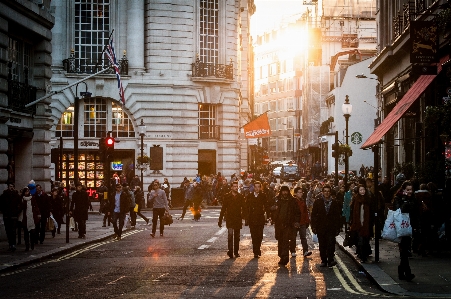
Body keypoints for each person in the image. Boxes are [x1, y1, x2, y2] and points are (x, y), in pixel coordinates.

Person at [311, 184, 342, 267]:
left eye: (328, 191)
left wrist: (338, 228)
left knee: (331, 244)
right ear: (322, 192)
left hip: (331, 227)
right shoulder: (318, 202)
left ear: (330, 192)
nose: (327, 193)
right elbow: (313, 215)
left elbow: (337, 216)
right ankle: (324, 260)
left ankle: (331, 260)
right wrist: (313, 226)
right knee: (322, 244)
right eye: (325, 191)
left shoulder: (335, 203)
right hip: (321, 227)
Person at [393, 181, 418, 281]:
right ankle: (406, 273)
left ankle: (402, 272)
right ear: (403, 190)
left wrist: (416, 226)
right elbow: (399, 211)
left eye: (411, 190)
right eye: (407, 190)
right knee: (404, 250)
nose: (409, 192)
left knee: (405, 250)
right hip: (401, 226)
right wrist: (405, 201)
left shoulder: (413, 198)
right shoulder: (398, 198)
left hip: (410, 226)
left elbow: (415, 213)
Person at [271, 185, 301, 266]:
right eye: (283, 191)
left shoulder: (292, 201)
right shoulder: (277, 200)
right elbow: (271, 208)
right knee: (280, 240)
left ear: (288, 192)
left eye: (286, 191)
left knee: (285, 241)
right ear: (281, 191)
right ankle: (281, 256)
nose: (284, 193)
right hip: (279, 224)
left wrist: (296, 222)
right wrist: (273, 211)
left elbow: (297, 212)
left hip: (288, 224)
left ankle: (285, 258)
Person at [218, 181, 245, 258]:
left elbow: (244, 208)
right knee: (230, 235)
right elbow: (223, 209)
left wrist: (244, 216)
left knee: (237, 236)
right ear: (231, 187)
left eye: (237, 186)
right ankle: (230, 251)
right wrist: (220, 219)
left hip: (237, 218)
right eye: (234, 186)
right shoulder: (227, 196)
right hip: (230, 218)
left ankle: (236, 252)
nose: (236, 188)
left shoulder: (240, 196)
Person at [245, 181, 269, 258]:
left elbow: (266, 206)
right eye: (256, 187)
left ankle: (258, 248)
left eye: (259, 187)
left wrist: (268, 216)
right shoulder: (250, 195)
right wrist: (246, 217)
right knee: (253, 235)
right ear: (254, 187)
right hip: (252, 218)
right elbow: (246, 206)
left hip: (260, 218)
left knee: (260, 235)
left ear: (260, 187)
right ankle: (256, 251)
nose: (257, 188)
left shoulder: (263, 196)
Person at [349, 184, 373, 262]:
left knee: (366, 240)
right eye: (361, 190)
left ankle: (364, 254)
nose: (362, 191)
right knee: (360, 240)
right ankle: (363, 257)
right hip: (358, 224)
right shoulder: (356, 200)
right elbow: (352, 212)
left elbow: (372, 212)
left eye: (363, 190)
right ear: (358, 191)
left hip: (367, 224)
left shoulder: (368, 200)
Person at [291, 186, 312, 258]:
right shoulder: (293, 201)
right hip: (295, 222)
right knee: (293, 237)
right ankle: (293, 251)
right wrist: (293, 222)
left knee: (303, 237)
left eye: (301, 192)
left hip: (302, 222)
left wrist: (307, 221)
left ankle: (305, 251)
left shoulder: (302, 201)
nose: (301, 194)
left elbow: (305, 212)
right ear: (295, 193)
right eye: (299, 192)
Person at [0, 183, 21, 251]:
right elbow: (1, 204)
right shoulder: (4, 195)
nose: (11, 188)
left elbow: (20, 205)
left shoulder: (16, 195)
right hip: (6, 215)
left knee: (13, 231)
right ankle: (10, 244)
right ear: (8, 187)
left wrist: (17, 212)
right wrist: (4, 211)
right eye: (10, 186)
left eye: (12, 186)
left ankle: (13, 244)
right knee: (8, 231)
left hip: (14, 215)